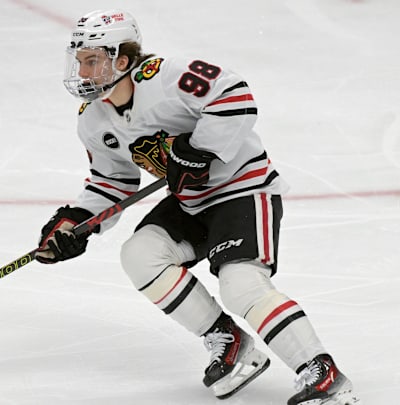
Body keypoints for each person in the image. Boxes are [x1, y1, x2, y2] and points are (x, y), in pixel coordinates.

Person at [35, 9, 361, 405]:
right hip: (190, 201)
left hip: (242, 187)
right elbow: (112, 181)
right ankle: (230, 342)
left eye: (92, 60)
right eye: (80, 61)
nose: (83, 72)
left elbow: (235, 95)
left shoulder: (166, 77)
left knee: (240, 283)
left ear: (121, 59)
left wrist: (199, 150)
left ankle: (321, 372)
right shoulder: (93, 119)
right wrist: (76, 223)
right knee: (140, 254)